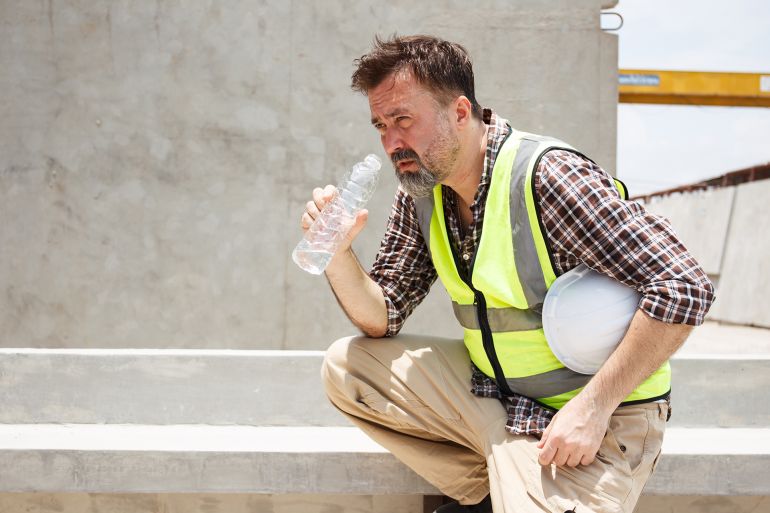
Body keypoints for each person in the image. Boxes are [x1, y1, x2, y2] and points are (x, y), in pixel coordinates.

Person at [299, 35, 714, 513]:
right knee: (348, 368)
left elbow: (684, 285)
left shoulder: (546, 177)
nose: (392, 142)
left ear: (459, 112)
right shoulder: (421, 190)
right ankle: (496, 482)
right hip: (500, 401)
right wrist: (336, 254)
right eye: (380, 126)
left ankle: (521, 485)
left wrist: (594, 407)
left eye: (403, 121)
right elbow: (382, 316)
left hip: (598, 418)